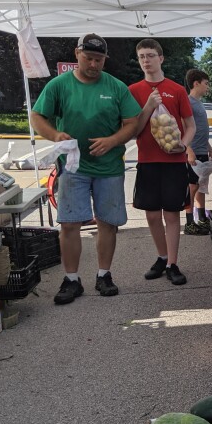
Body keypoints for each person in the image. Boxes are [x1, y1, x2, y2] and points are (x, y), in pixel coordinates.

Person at [31, 33, 141, 305]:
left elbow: (133, 122)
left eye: (99, 59)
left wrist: (113, 140)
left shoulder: (116, 87)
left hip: (109, 167)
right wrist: (55, 135)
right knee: (69, 223)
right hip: (73, 167)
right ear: (77, 54)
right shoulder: (59, 85)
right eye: (89, 58)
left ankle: (104, 275)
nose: (94, 64)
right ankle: (71, 279)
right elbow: (37, 116)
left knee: (108, 222)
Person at [129, 39, 196, 286]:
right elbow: (133, 129)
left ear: (161, 58)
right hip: (147, 161)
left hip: (173, 161)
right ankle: (161, 256)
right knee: (152, 216)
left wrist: (184, 144)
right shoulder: (133, 90)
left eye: (150, 56)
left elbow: (190, 125)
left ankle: (173, 264)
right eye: (141, 57)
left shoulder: (176, 89)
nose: (146, 61)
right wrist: (148, 107)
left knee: (171, 214)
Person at [183, 69, 212, 236]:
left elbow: (201, 129)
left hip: (202, 150)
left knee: (202, 186)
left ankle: (202, 217)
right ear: (196, 83)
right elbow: (183, 128)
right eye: (206, 83)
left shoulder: (199, 102)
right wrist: (188, 150)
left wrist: (209, 147)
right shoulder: (188, 102)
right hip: (193, 152)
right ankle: (189, 223)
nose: (207, 87)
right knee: (193, 186)